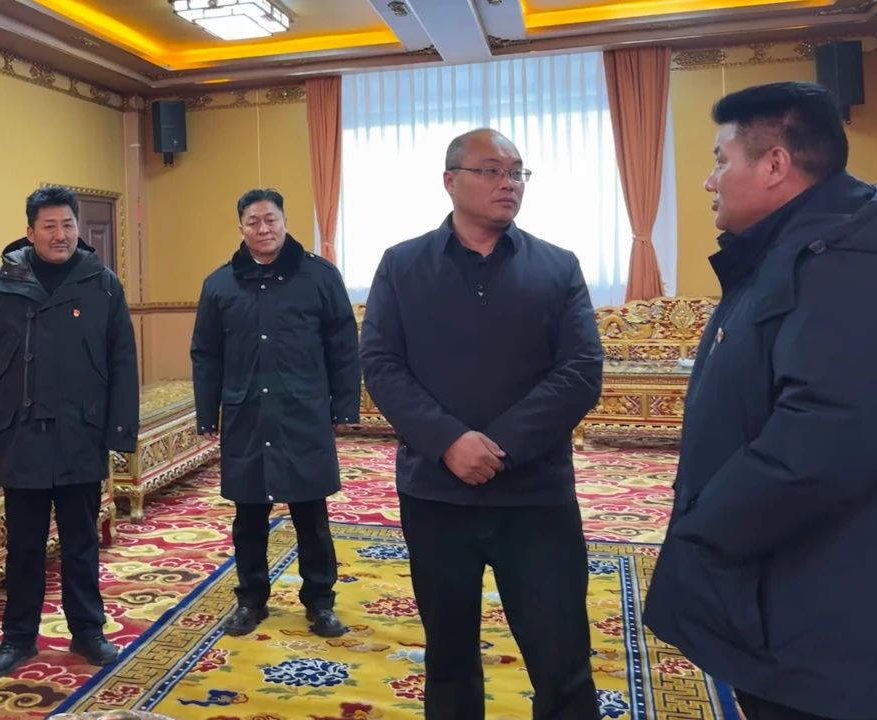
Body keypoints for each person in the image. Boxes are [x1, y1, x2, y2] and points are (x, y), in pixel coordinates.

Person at [643, 83, 877, 720]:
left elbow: (824, 437)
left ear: (774, 164)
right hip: (787, 584)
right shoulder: (795, 246)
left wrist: (705, 529)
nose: (710, 181)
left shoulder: (846, 260)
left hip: (821, 616)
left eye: (721, 160)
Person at [360, 129, 604, 720]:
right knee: (449, 659)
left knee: (562, 659)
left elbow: (581, 371)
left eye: (517, 172)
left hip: (536, 496)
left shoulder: (556, 266)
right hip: (436, 493)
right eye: (491, 170)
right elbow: (381, 364)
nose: (508, 183)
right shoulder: (402, 264)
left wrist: (501, 447)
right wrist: (448, 442)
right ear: (451, 181)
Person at [0, 186, 139, 677]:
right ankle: (18, 639)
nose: (60, 235)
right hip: (21, 436)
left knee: (82, 542)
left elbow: (123, 363)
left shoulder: (103, 284)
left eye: (68, 225)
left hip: (81, 433)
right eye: (49, 226)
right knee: (24, 546)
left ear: (78, 228)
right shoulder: (0, 285)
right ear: (30, 231)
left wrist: (121, 432)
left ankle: (88, 632)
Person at [191, 188, 360, 638]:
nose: (263, 229)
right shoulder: (220, 284)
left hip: (302, 414)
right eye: (253, 221)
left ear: (285, 222)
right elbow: (206, 353)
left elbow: (343, 344)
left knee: (311, 516)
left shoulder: (319, 276)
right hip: (246, 415)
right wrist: (207, 414)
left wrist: (345, 405)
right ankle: (251, 600)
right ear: (241, 227)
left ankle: (320, 602)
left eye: (271, 220)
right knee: (248, 518)